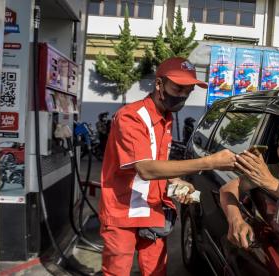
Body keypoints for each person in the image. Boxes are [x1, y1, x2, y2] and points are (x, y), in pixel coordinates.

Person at [100, 57, 236, 276]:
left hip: (153, 209)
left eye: (188, 90)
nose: (182, 95)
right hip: (123, 211)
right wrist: (209, 162)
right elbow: (146, 169)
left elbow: (158, 162)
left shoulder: (167, 117)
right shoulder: (131, 117)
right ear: (159, 84)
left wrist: (175, 181)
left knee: (156, 271)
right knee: (117, 272)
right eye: (178, 87)